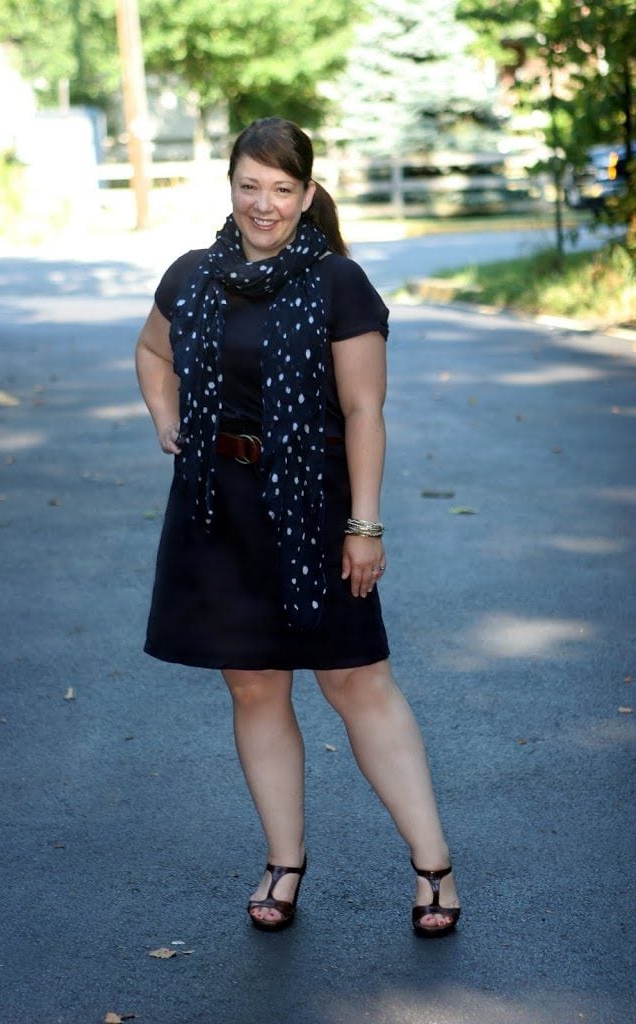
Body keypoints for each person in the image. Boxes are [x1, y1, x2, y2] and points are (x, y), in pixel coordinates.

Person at [135, 117, 460, 936]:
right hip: (216, 504)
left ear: (307, 194)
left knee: (356, 680)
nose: (264, 203)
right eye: (250, 185)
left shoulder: (337, 284)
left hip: (313, 504)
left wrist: (364, 524)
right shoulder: (194, 276)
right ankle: (284, 864)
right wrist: (167, 419)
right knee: (251, 684)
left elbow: (362, 409)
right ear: (231, 186)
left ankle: (433, 868)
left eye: (282, 189)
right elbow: (150, 349)